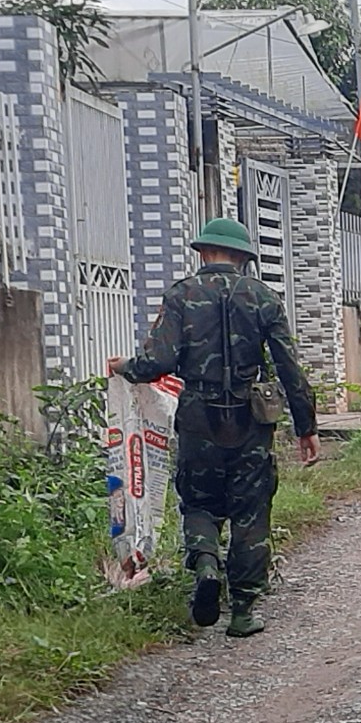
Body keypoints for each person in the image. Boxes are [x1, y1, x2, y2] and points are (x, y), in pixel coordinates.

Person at [109, 218, 318, 639]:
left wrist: (124, 367)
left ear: (204, 252)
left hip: (198, 417)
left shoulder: (180, 295)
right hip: (251, 418)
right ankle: (242, 611)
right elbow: (288, 368)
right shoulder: (264, 299)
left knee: (200, 502)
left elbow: (158, 363)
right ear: (243, 257)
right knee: (251, 509)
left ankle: (206, 563)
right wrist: (305, 426)